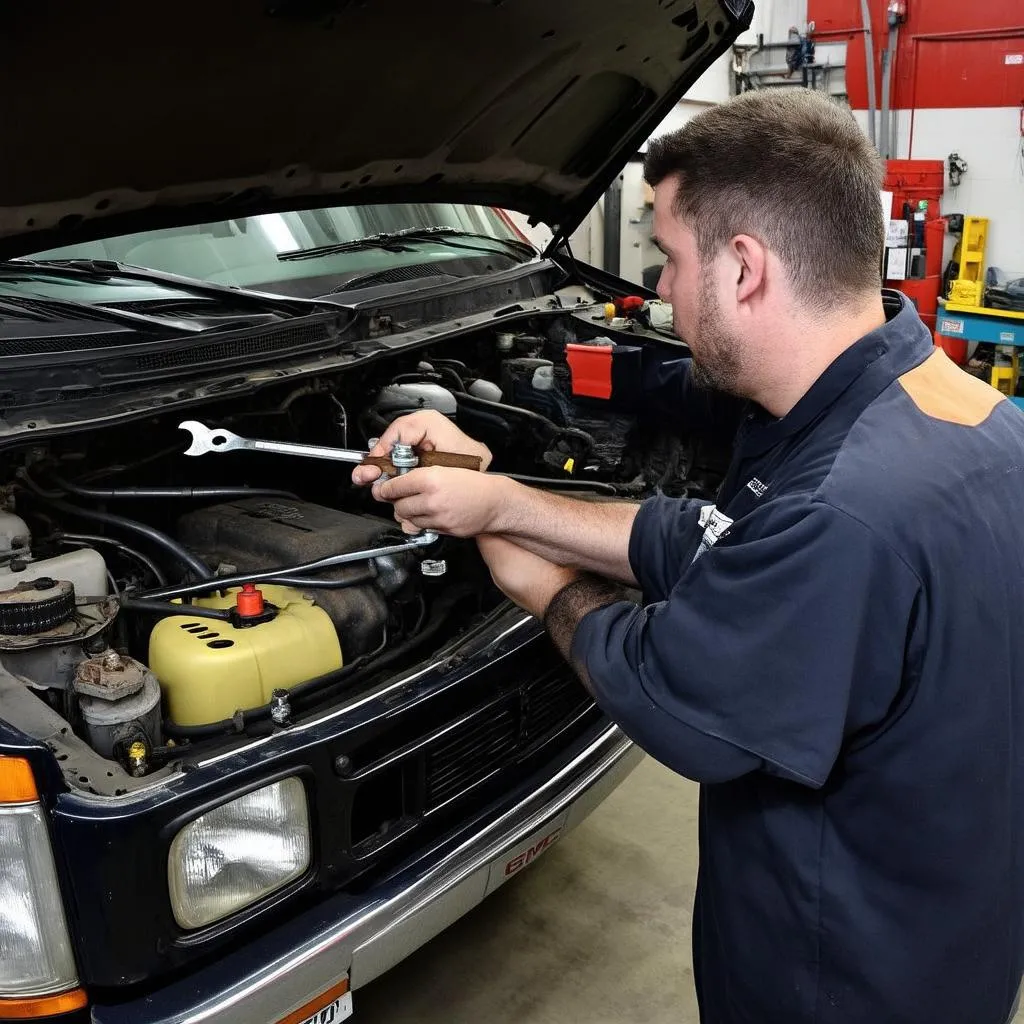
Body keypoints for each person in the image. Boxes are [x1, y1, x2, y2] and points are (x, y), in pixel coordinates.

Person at [352, 89, 1024, 1023]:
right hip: (958, 931)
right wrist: (504, 497)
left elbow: (668, 685)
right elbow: (707, 538)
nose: (659, 290)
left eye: (668, 257)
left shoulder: (845, 514)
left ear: (744, 267)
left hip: (840, 982)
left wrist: (520, 563)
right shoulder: (954, 410)